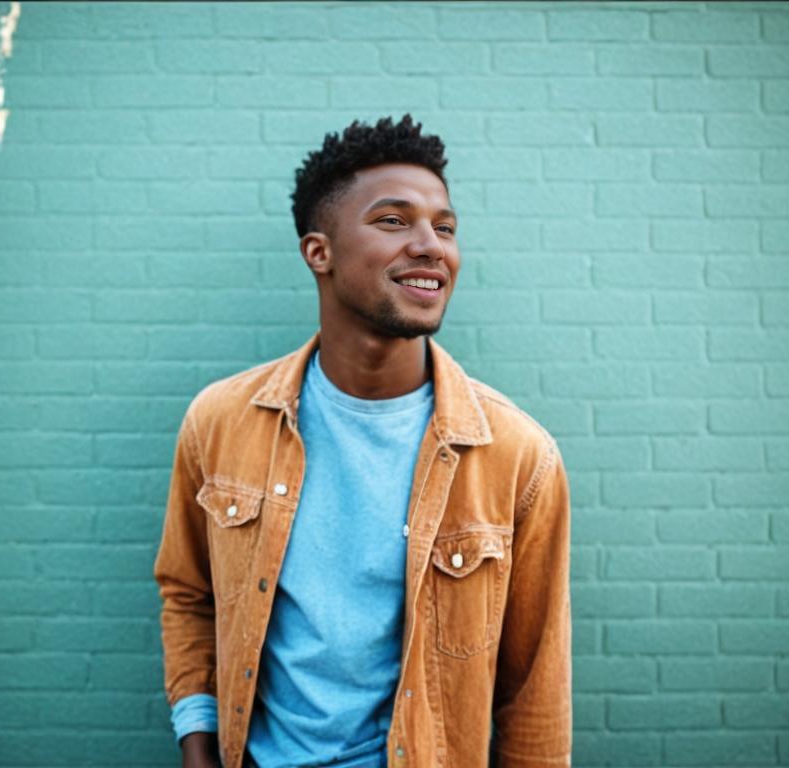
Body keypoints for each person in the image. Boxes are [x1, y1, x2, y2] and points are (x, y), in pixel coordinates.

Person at [153, 114, 571, 768]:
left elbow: (534, 690)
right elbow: (189, 594)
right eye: (394, 221)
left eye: (446, 226)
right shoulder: (221, 422)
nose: (432, 245)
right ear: (319, 252)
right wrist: (200, 747)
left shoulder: (517, 456)